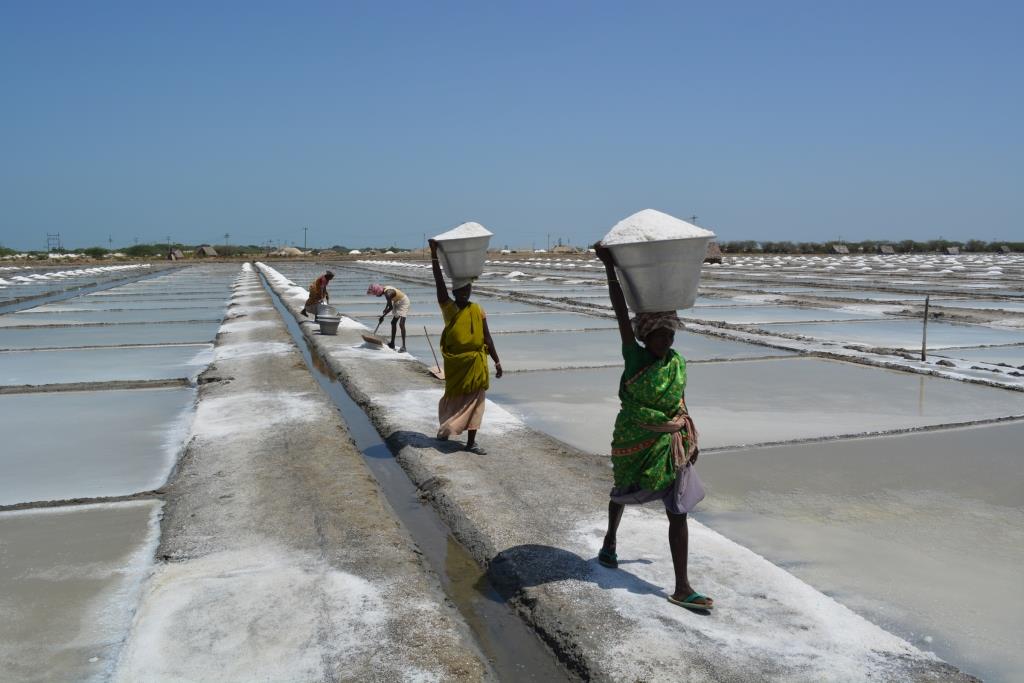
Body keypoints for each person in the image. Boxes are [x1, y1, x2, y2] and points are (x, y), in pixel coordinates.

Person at [593, 243, 714, 611]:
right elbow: (618, 309)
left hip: (671, 444)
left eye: (671, 334)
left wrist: (689, 436)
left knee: (677, 510)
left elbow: (679, 401)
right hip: (636, 437)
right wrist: (609, 267)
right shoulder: (635, 355)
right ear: (645, 336)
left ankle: (682, 586)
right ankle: (610, 542)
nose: (668, 340)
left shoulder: (676, 362)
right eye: (661, 334)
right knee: (621, 493)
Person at [427, 238, 502, 454]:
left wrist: (497, 360)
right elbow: (439, 282)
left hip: (476, 364)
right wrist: (434, 254)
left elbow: (487, 337)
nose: (464, 294)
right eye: (460, 291)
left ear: (470, 290)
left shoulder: (478, 309)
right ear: (454, 293)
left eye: (467, 290)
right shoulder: (449, 309)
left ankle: (471, 442)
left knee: (477, 403)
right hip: (457, 365)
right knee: (454, 398)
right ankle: (447, 428)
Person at [367, 283, 410, 352]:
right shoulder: (385, 290)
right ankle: (392, 343)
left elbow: (390, 307)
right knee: (393, 323)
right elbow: (389, 301)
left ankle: (404, 347)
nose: (376, 295)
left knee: (401, 324)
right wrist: (385, 308)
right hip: (397, 301)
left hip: (404, 302)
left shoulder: (387, 293)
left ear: (378, 291)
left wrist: (382, 316)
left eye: (375, 294)